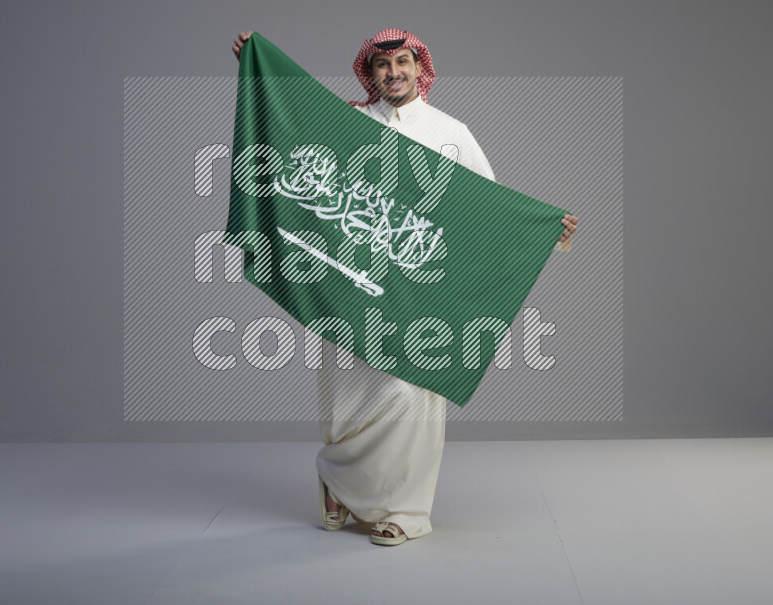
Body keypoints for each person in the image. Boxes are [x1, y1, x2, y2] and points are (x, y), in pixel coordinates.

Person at [231, 29, 578, 545]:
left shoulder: (450, 133)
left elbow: (491, 212)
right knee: (348, 397)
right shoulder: (346, 121)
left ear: (420, 69)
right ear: (370, 73)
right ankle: (338, 479)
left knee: (411, 394)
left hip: (418, 295)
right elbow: (291, 126)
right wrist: (259, 70)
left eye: (403, 63)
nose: (393, 73)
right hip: (347, 285)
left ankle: (406, 511)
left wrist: (548, 234)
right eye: (383, 65)